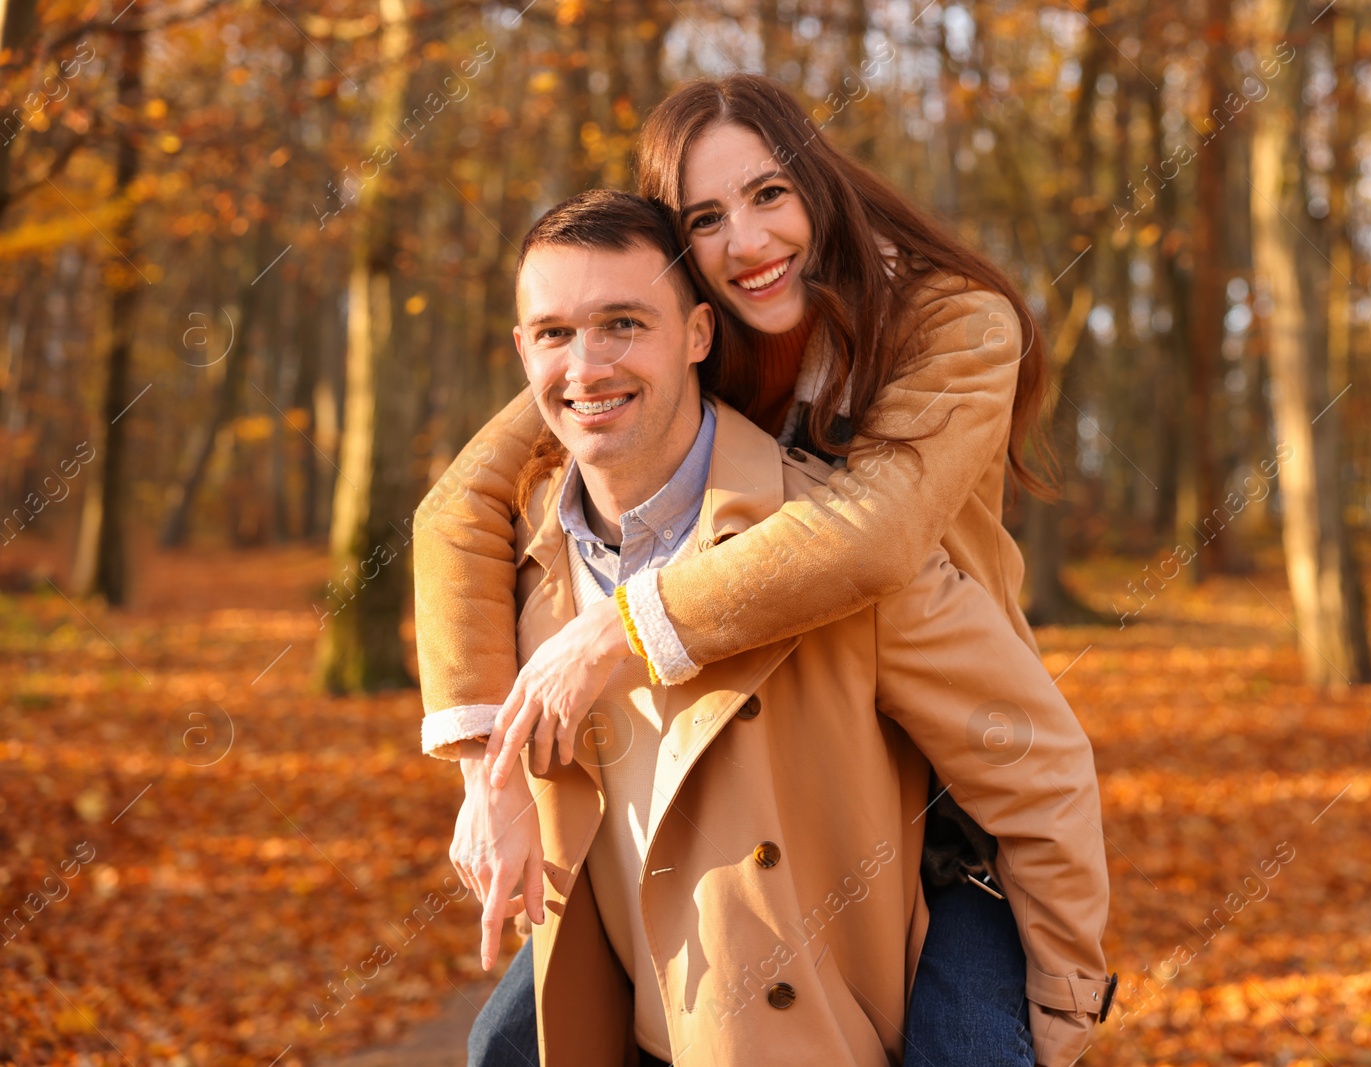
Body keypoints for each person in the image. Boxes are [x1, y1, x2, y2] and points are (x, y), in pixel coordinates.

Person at [418, 75, 1085, 1064]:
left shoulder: (951, 324)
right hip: (757, 753)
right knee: (513, 1042)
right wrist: (490, 772)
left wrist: (619, 629)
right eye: (705, 218)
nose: (747, 242)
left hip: (940, 768)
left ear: (818, 186)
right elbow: (459, 502)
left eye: (769, 194)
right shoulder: (664, 329)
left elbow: (874, 536)